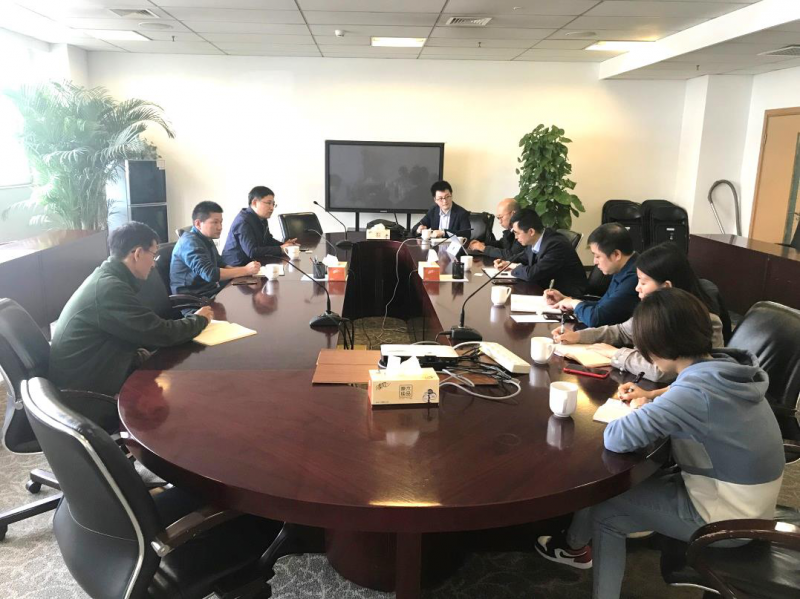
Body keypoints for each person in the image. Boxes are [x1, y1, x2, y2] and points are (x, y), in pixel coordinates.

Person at [535, 287, 784, 599]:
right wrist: (653, 397)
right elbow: (694, 396)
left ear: (658, 347)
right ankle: (573, 545)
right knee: (609, 495)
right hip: (750, 503)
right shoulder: (727, 368)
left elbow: (617, 438)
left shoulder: (693, 394)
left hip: (728, 520)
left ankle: (581, 556)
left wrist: (645, 409)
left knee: (608, 513)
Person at [48, 222, 212, 396]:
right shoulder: (109, 289)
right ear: (138, 253)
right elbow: (158, 333)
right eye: (153, 255)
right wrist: (199, 320)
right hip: (86, 391)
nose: (154, 264)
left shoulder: (108, 278)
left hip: (99, 370)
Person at [553, 242, 725, 383]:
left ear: (666, 287)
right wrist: (579, 336)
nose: (637, 288)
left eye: (643, 282)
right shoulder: (654, 311)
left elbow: (663, 371)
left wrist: (615, 354)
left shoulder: (704, 321)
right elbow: (621, 331)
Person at [545, 223, 639, 327]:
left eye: (598, 256)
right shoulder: (623, 268)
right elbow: (604, 305)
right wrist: (567, 300)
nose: (594, 262)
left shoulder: (635, 276)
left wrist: (574, 303)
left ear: (616, 255)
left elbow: (596, 319)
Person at [171, 201, 260, 298]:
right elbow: (210, 274)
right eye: (215, 222)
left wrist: (248, 272)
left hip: (210, 292)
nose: (220, 227)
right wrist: (245, 270)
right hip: (194, 300)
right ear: (198, 224)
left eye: (221, 222)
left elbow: (221, 264)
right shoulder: (189, 243)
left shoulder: (205, 238)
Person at [493, 209, 586, 296]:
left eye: (517, 233)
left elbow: (531, 274)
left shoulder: (555, 244)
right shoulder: (537, 238)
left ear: (531, 231)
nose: (516, 237)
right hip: (545, 286)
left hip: (567, 294)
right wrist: (507, 263)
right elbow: (523, 257)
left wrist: (514, 267)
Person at [221, 186, 297, 266]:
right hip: (235, 267)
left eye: (273, 204)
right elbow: (252, 251)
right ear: (254, 203)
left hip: (253, 264)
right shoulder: (243, 221)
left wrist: (284, 245)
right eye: (269, 203)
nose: (272, 208)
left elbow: (268, 240)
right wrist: (281, 249)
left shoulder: (262, 218)